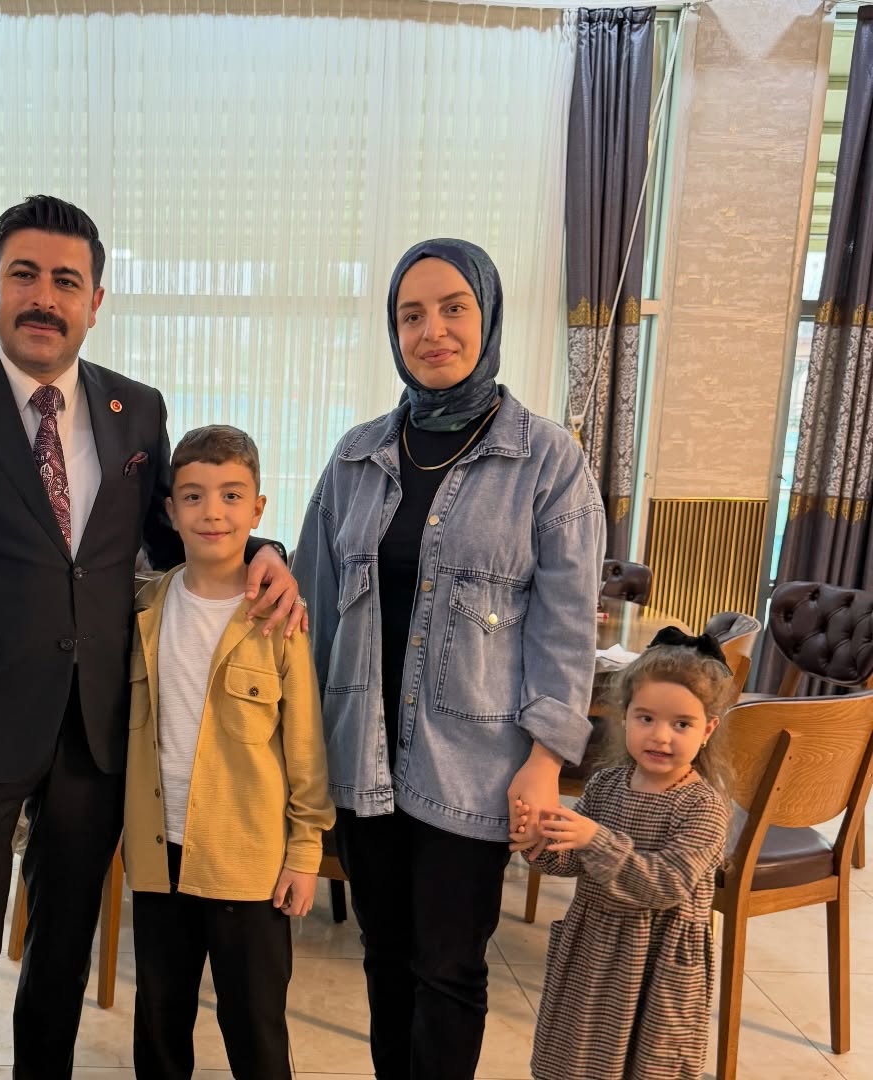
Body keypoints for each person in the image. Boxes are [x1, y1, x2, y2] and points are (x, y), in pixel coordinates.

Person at [0, 195, 302, 1079]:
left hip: (97, 734)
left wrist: (268, 552)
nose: (44, 297)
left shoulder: (136, 412)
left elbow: (176, 534)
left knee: (60, 952)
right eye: (24, 275)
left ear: (95, 301)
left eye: (67, 281)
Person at [293, 237, 605, 1079]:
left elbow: (567, 629)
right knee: (384, 958)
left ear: (488, 315)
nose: (432, 331)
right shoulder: (356, 457)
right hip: (363, 759)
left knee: (449, 969)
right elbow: (311, 599)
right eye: (411, 315)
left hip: (475, 765)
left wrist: (545, 759)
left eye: (453, 308)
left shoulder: (547, 460)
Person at [123, 425, 334, 1079]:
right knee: (159, 1025)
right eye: (193, 496)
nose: (212, 512)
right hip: (161, 859)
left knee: (256, 1029)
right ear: (170, 510)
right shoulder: (143, 610)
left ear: (258, 509)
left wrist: (305, 853)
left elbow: (305, 750)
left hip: (249, 864)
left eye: (231, 495)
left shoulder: (280, 620)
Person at [526, 627, 734, 1080]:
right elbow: (572, 860)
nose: (660, 736)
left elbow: (666, 883)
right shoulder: (605, 785)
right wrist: (539, 842)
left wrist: (593, 839)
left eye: (681, 724)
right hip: (594, 951)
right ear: (625, 718)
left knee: (649, 1067)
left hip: (659, 964)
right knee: (577, 1062)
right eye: (646, 718)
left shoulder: (703, 807)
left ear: (708, 730)